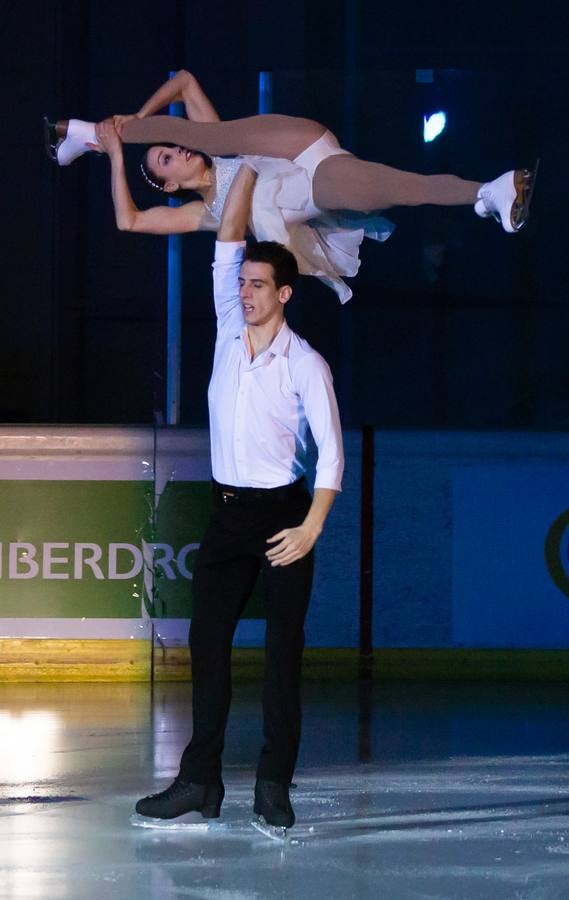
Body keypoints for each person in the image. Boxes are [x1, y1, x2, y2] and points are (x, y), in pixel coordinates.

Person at [134, 163, 344, 834]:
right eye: (243, 283)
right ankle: (200, 781)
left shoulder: (306, 364)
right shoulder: (227, 328)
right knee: (208, 643)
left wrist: (312, 526)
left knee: (283, 651)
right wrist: (244, 171)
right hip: (226, 514)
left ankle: (273, 784)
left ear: (284, 293)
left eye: (258, 285)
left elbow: (334, 453)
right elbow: (228, 233)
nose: (245, 291)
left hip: (284, 516)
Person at [45, 70, 537, 303]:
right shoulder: (203, 215)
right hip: (319, 181)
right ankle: (490, 191)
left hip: (288, 146)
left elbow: (186, 81)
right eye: (167, 159)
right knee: (401, 188)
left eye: (171, 146)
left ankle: (86, 132)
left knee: (213, 134)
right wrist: (115, 158)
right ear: (171, 184)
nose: (178, 152)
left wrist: (139, 120)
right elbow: (127, 220)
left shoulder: (217, 147)